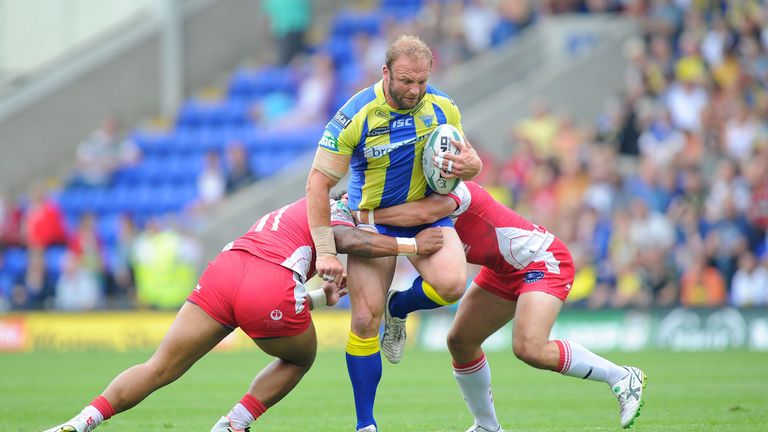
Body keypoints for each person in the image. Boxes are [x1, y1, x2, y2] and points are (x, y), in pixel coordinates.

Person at [41, 194, 444, 432]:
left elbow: (273, 268)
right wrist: (412, 246)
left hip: (225, 269)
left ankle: (80, 422)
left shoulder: (292, 207)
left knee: (160, 366)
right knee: (300, 357)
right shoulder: (336, 205)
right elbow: (345, 237)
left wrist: (319, 298)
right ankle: (233, 423)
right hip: (266, 285)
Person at [362, 181, 648, 431]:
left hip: (542, 261)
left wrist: (360, 211)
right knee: (460, 342)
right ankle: (487, 426)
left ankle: (622, 377)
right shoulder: (414, 205)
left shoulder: (453, 195)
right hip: (503, 270)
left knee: (529, 348)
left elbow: (420, 214)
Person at [305, 35, 482, 432]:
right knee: (365, 320)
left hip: (424, 214)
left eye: (421, 81)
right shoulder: (355, 116)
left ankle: (398, 308)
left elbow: (465, 157)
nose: (415, 91)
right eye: (405, 81)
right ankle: (365, 424)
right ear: (385, 72)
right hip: (372, 219)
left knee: (453, 284)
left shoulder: (443, 107)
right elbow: (317, 184)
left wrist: (471, 166)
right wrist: (326, 253)